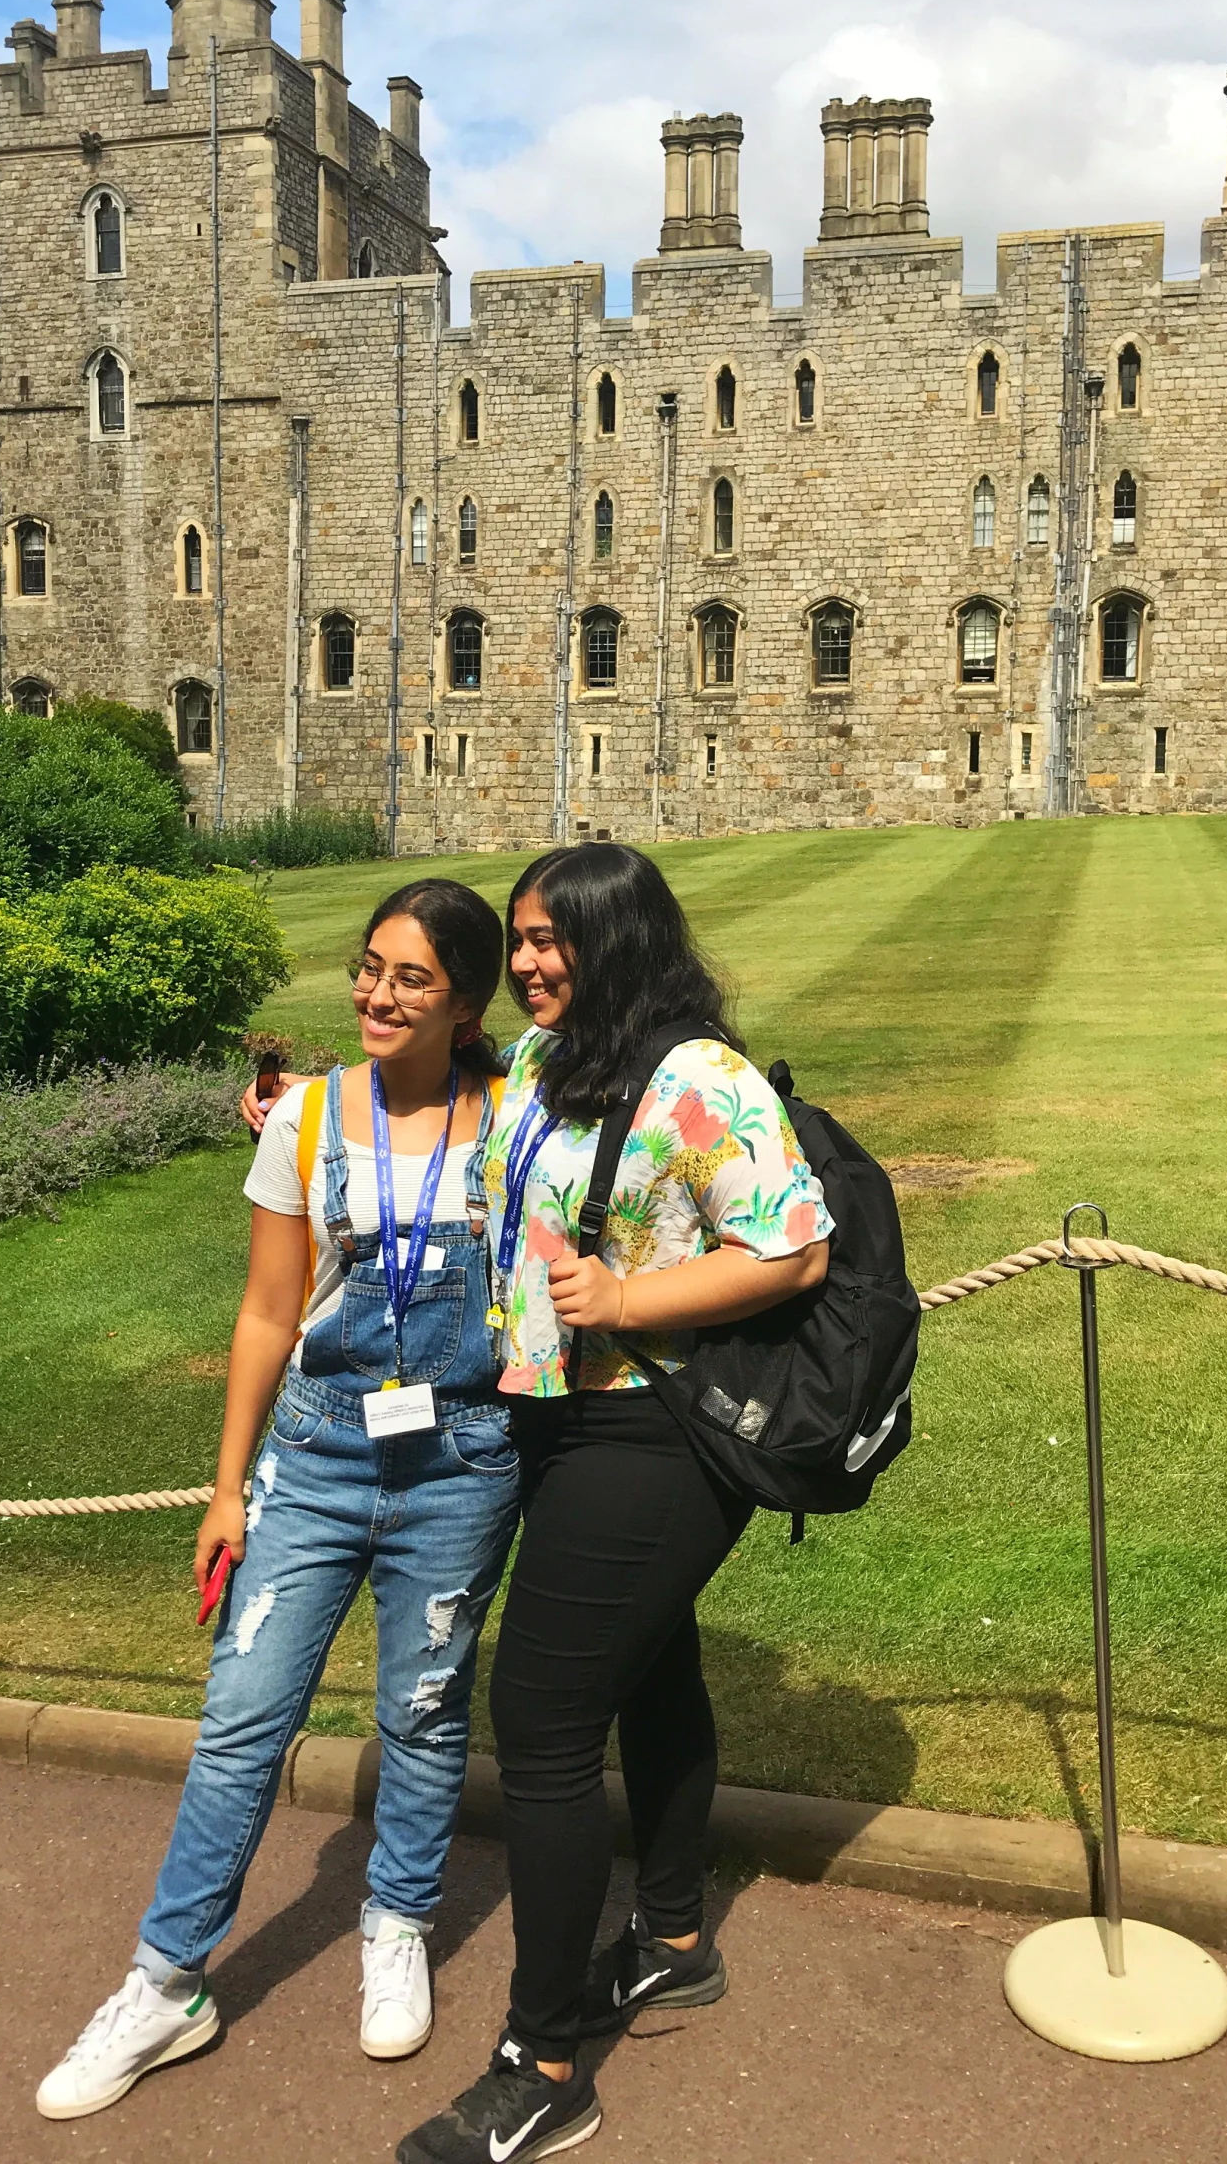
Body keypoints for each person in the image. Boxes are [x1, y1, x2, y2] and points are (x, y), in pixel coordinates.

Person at [35, 879, 517, 2122]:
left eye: (411, 978)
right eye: (368, 968)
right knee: (246, 1716)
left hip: (461, 1464)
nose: (376, 994)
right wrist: (226, 1488)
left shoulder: (515, 1120)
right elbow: (263, 1313)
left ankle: (398, 1921)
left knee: (422, 1709)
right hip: (314, 1460)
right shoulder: (305, 1118)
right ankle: (167, 1982)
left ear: (466, 1004)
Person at [396, 843, 833, 2164]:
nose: (528, 961)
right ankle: (678, 1937)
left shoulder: (701, 1078)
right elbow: (465, 1107)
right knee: (648, 1673)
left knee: (539, 1711)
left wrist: (633, 1300)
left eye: (553, 940)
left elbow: (796, 1244)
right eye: (521, 938)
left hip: (656, 1431)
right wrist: (300, 1104)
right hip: (557, 1414)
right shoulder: (545, 1056)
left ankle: (543, 2065)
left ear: (617, 942)